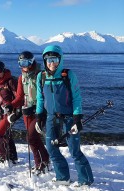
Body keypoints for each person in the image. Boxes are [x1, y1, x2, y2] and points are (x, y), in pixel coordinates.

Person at [35, 45, 94, 186]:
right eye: (48, 60)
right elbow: (40, 98)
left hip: (68, 117)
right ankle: (62, 177)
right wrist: (39, 116)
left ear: (60, 60)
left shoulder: (68, 75)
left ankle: (85, 180)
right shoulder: (41, 76)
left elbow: (77, 97)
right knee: (50, 147)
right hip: (50, 117)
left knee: (74, 149)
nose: (51, 63)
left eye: (54, 59)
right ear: (44, 61)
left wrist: (77, 118)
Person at [10, 51, 50, 175]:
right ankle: (43, 162)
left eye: (27, 62)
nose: (24, 65)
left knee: (31, 137)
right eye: (21, 63)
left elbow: (46, 95)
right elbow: (20, 97)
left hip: (39, 111)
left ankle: (42, 162)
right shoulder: (22, 78)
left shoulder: (41, 75)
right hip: (27, 111)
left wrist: (39, 109)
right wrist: (11, 105)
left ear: (32, 61)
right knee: (33, 138)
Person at [0, 61, 19, 165]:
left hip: (9, 113)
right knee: (7, 134)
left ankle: (2, 156)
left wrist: (14, 112)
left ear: (3, 70)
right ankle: (12, 156)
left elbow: (18, 97)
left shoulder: (10, 82)